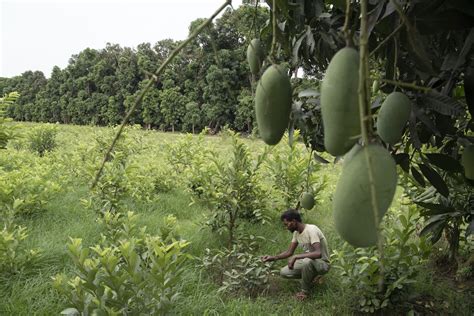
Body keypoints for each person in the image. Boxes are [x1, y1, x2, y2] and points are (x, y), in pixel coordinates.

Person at [261, 209, 330, 300]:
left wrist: (296, 256)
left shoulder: (311, 230)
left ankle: (304, 292)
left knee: (306, 262)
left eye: (286, 224)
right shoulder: (297, 234)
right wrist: (273, 258)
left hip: (322, 264)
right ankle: (312, 277)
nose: (286, 227)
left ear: (293, 221)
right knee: (284, 272)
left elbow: (318, 253)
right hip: (309, 262)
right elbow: (289, 252)